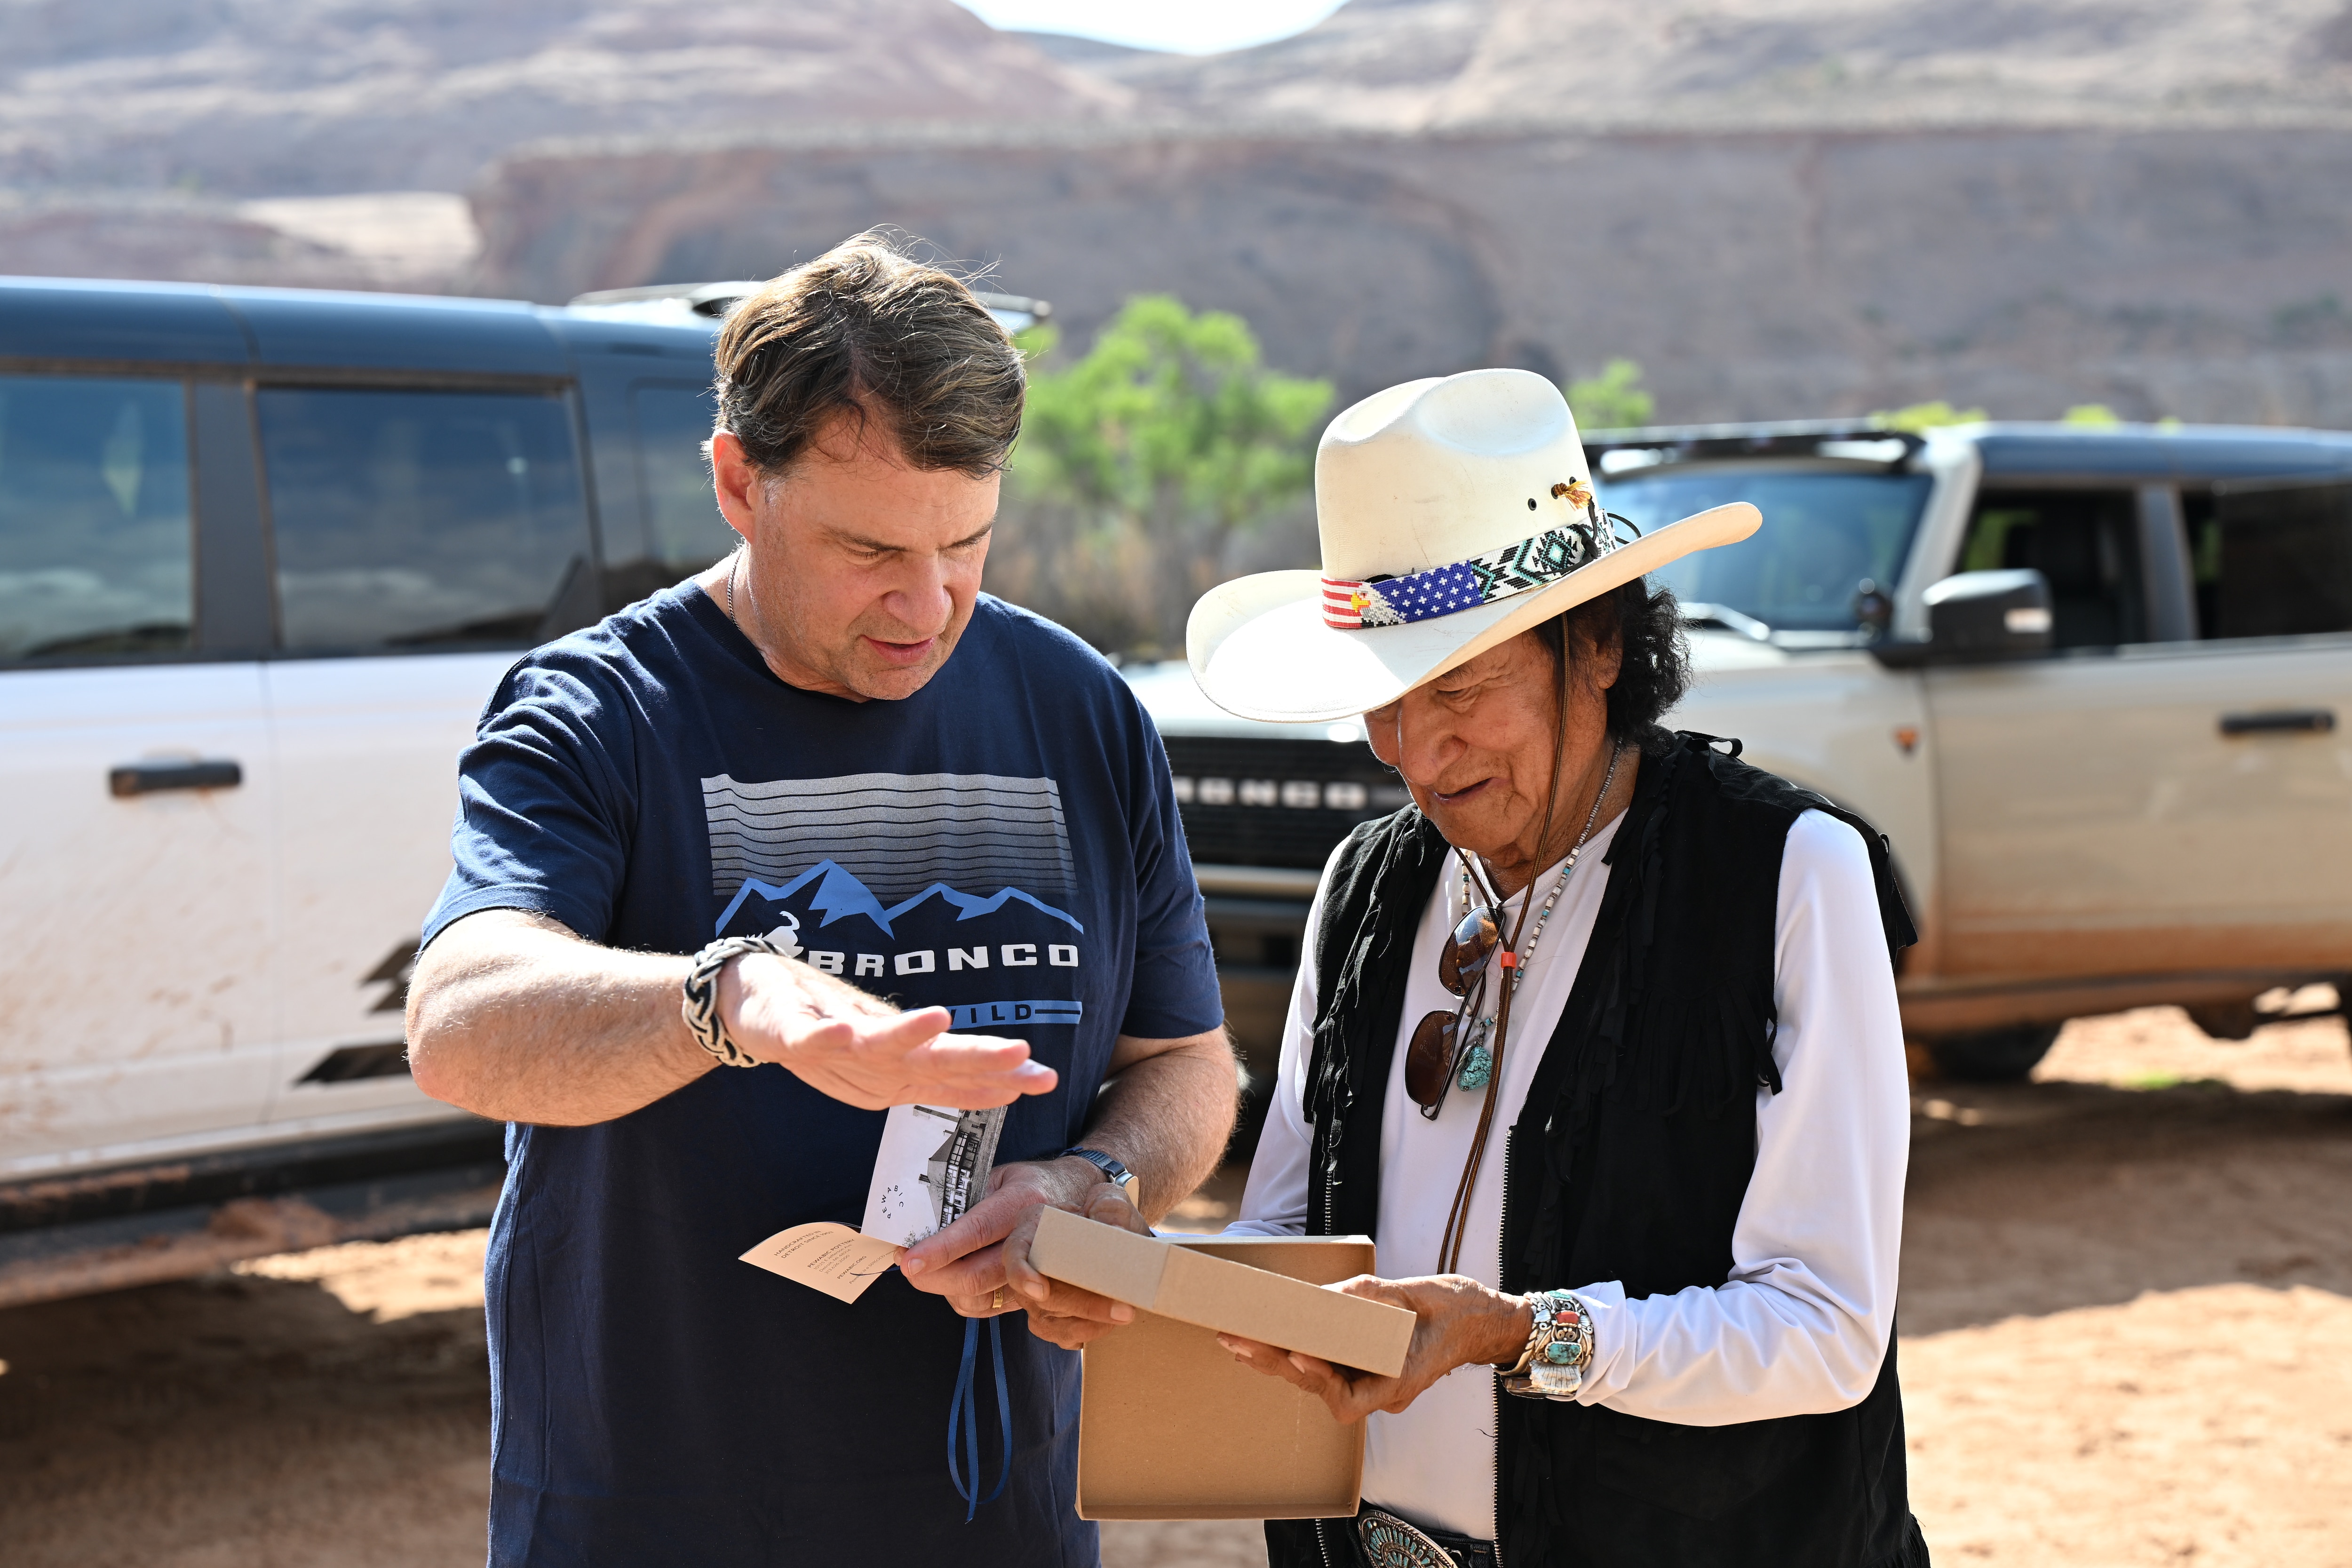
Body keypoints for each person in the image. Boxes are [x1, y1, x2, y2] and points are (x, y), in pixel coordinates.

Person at [404, 233, 1235, 1566]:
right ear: (740, 480)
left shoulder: (1080, 709)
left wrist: (1092, 1179)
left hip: (1000, 1517)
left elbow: (1186, 1064)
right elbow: (459, 1018)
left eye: (966, 539)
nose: (929, 601)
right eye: (867, 550)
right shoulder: (597, 710)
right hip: (655, 1519)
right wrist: (730, 997)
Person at [1040, 368, 1928, 1567]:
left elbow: (1823, 1329)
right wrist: (1142, 1281)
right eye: (1382, 705)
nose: (1416, 750)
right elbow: (1293, 1230)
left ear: (1598, 645)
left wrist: (1520, 1335)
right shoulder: (1367, 885)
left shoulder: (1786, 872)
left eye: (1459, 687)